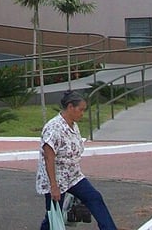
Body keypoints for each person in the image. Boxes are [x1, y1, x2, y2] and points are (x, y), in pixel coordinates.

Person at [37, 90, 122, 230]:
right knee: (54, 216)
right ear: (70, 107)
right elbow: (48, 157)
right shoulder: (54, 128)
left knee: (94, 197)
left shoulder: (73, 125)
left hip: (73, 176)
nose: (82, 113)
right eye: (81, 110)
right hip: (56, 179)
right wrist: (54, 186)